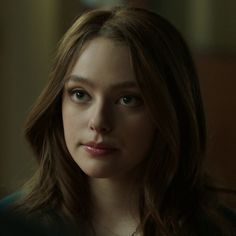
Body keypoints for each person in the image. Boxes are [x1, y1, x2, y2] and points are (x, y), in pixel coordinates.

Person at [3, 6, 235, 236]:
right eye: (80, 94)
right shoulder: (10, 224)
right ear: (57, 104)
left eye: (127, 99)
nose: (99, 121)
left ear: (171, 111)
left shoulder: (220, 229)